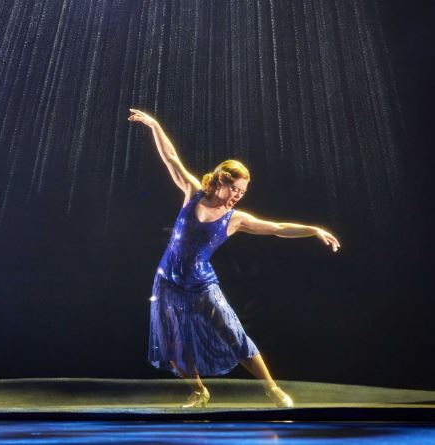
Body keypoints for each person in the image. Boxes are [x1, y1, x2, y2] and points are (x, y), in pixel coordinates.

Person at [128, 108, 340, 409]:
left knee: (232, 332)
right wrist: (154, 125)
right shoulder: (193, 192)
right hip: (167, 281)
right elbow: (171, 158)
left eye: (242, 192)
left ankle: (272, 389)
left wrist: (313, 230)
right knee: (172, 342)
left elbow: (277, 228)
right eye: (235, 189)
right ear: (220, 181)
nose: (238, 195)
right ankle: (198, 392)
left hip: (201, 284)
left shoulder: (235, 219)